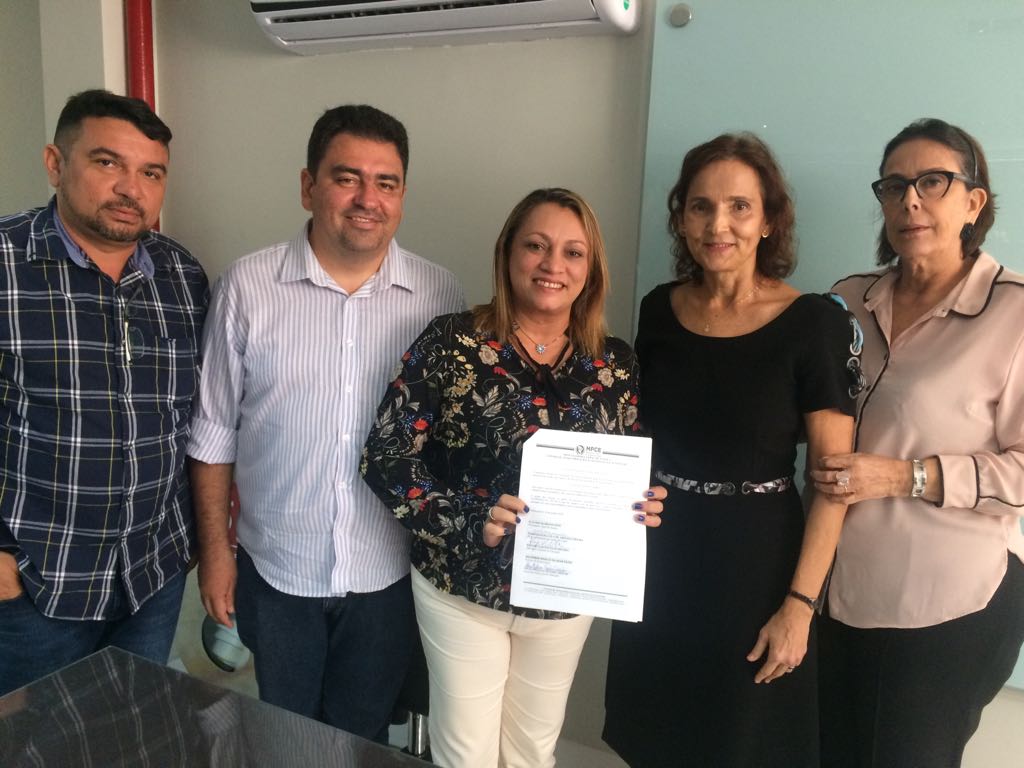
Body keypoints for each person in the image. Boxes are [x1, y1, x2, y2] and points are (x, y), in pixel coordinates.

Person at [361, 187, 666, 768]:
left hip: (564, 597)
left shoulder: (615, 362)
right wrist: (468, 518)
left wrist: (642, 502)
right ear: (507, 253)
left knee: (532, 754)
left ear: (591, 269)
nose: (554, 265)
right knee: (467, 757)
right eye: (536, 246)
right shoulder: (453, 342)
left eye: (573, 252)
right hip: (463, 589)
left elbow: (627, 460)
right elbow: (385, 457)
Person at [187, 104, 463, 741]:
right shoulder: (248, 287)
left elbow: (452, 437)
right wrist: (216, 555)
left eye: (386, 183)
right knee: (282, 737)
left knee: (361, 740)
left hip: (387, 575)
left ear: (402, 196)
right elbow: (213, 432)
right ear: (308, 186)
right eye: (346, 178)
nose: (368, 199)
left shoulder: (439, 296)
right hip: (276, 570)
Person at [603, 134, 860, 767]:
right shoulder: (658, 309)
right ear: (681, 218)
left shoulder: (815, 323)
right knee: (657, 738)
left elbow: (833, 482)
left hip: (758, 568)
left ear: (769, 220)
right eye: (701, 207)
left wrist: (800, 608)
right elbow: (637, 434)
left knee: (741, 744)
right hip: (660, 552)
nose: (718, 225)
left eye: (740, 207)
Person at [812, 118, 1024, 768]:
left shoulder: (1015, 313)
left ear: (973, 202)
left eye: (934, 182)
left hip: (947, 605)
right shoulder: (846, 301)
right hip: (833, 592)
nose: (910, 200)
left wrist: (905, 476)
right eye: (895, 185)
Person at [0, 89, 209, 696]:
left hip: (151, 578)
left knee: (134, 731)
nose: (129, 188)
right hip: (35, 584)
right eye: (107, 162)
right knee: (32, 739)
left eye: (151, 172)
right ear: (55, 163)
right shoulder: (7, 265)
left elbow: (195, 419)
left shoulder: (181, 276)